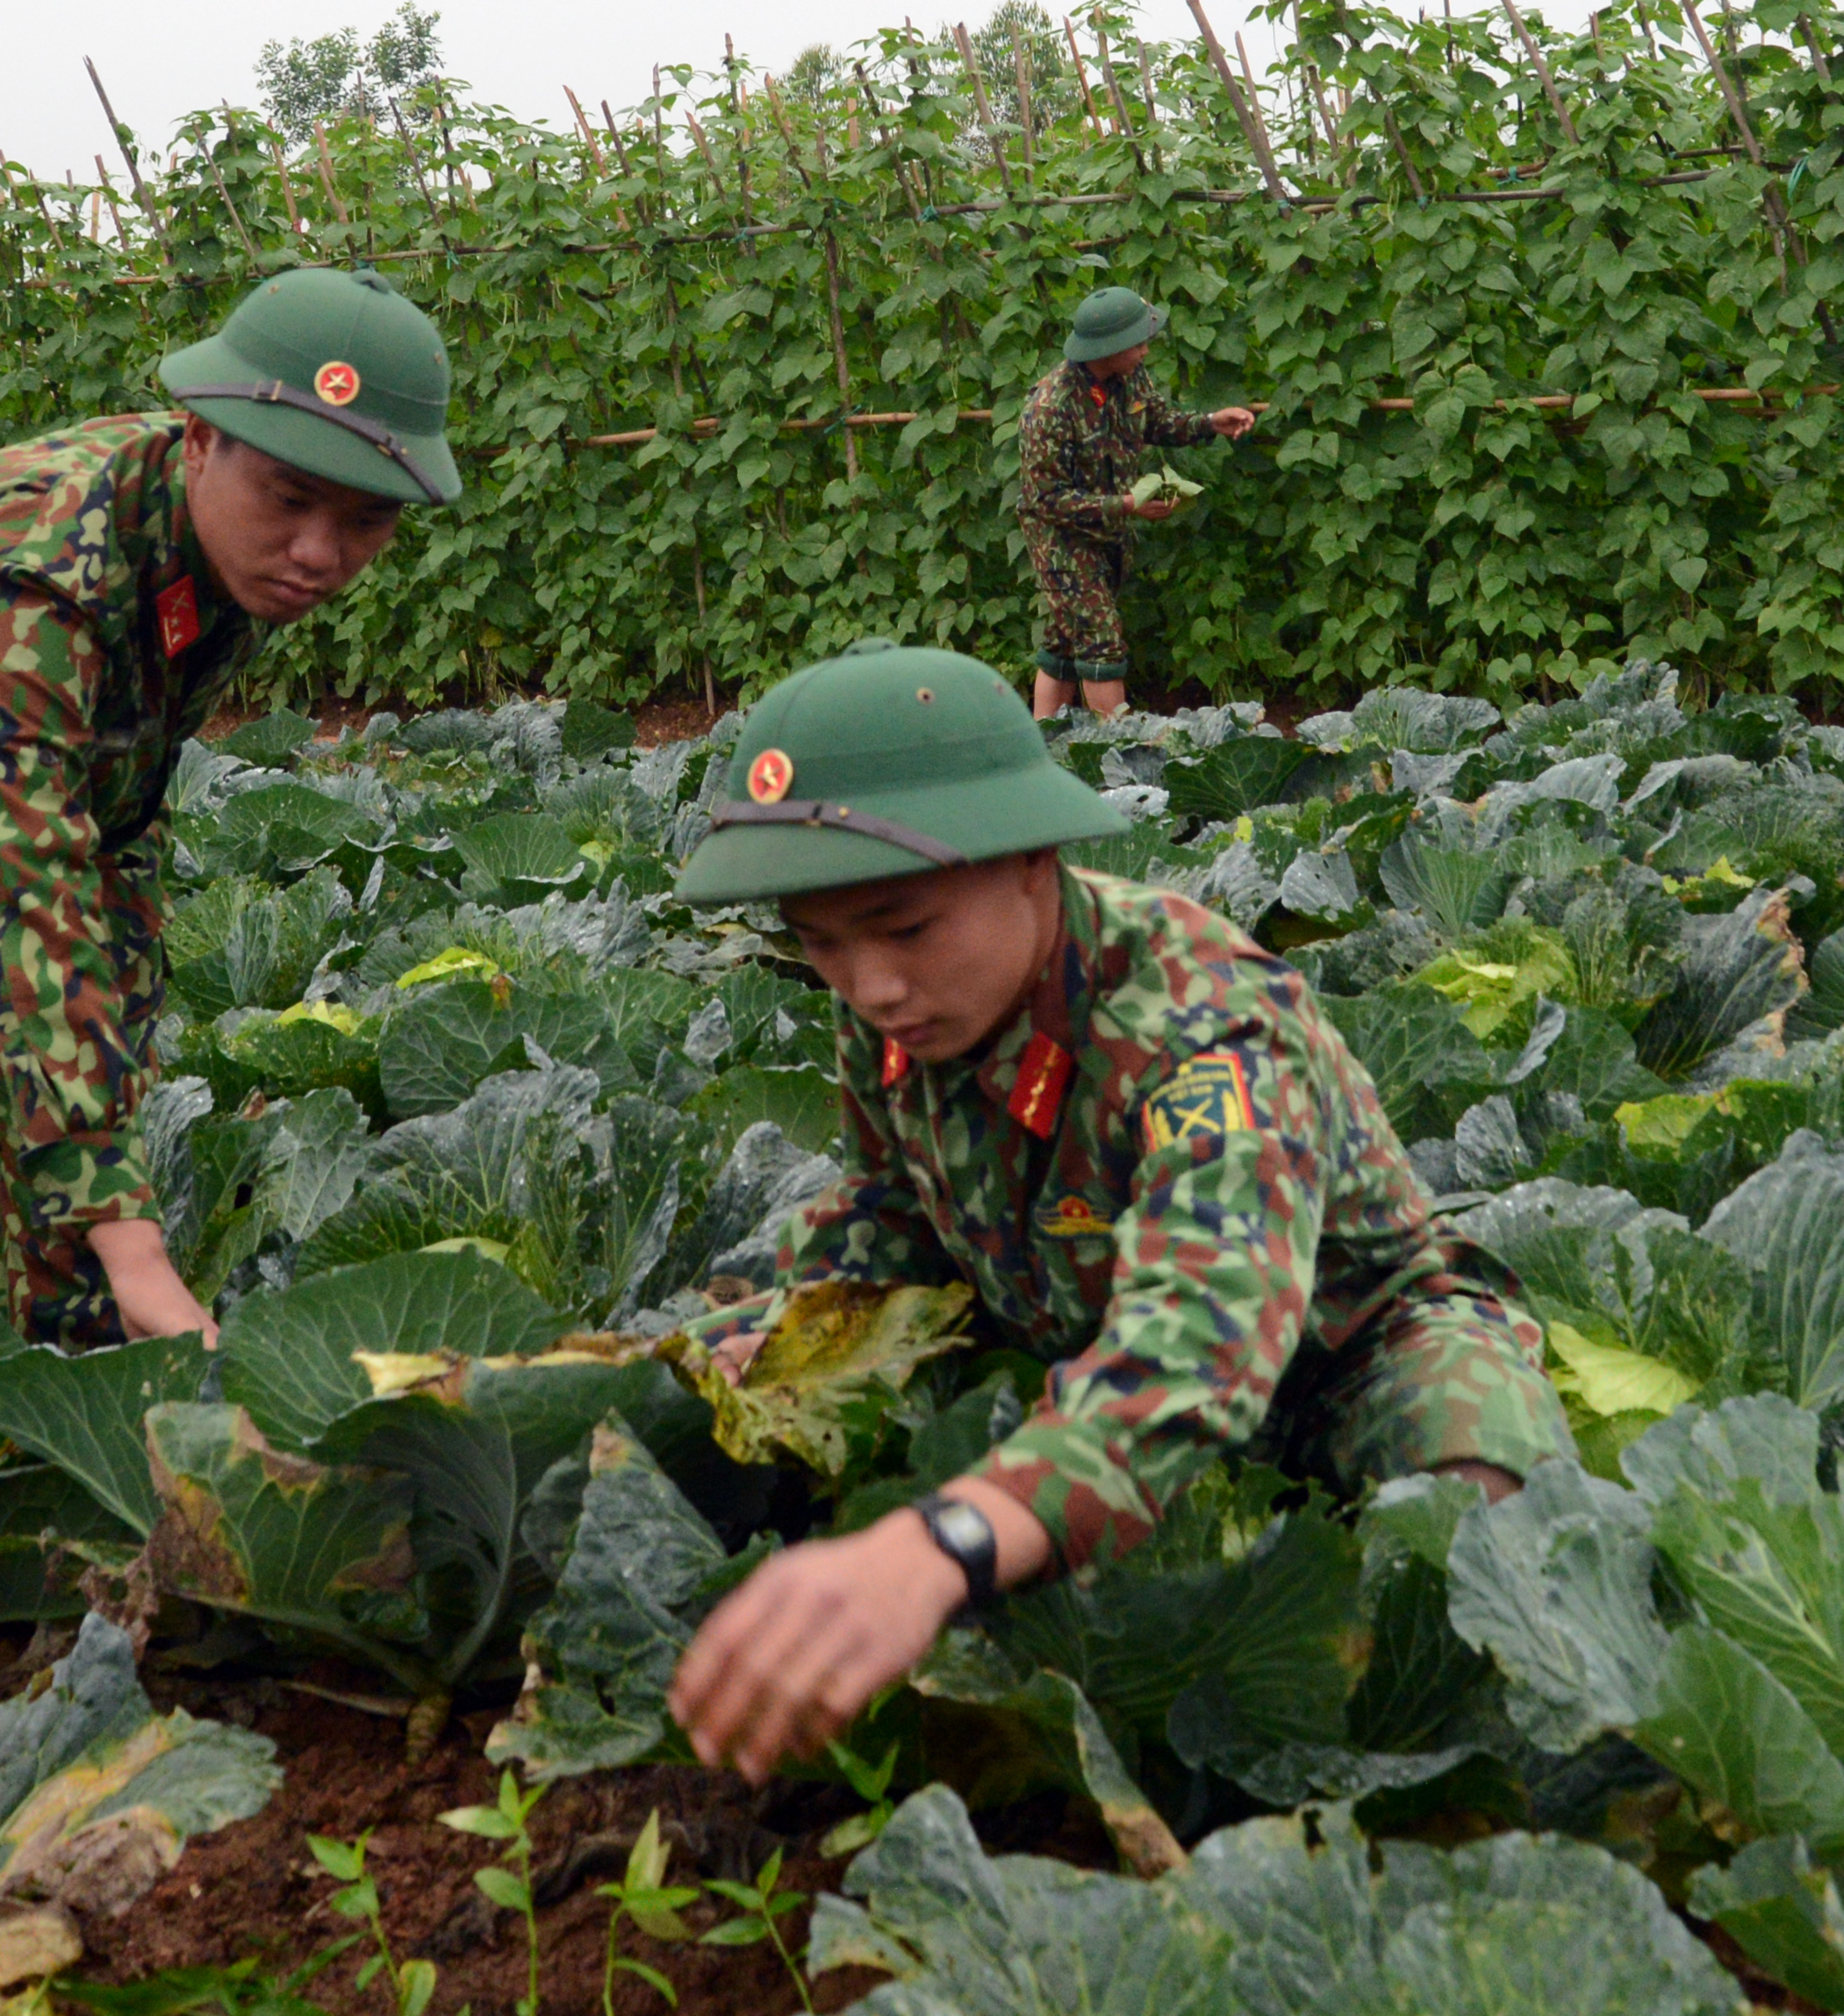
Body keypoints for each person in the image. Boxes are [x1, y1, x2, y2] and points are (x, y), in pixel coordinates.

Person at [660, 642, 1568, 1783]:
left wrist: (943, 1542)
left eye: (905, 928)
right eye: (822, 944)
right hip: (1062, 1341)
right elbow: (890, 1214)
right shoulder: (894, 1012)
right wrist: (753, 1352)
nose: (872, 986)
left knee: (1487, 1512)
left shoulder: (1204, 1029)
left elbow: (1207, 1336)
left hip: (1336, 1357)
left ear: (1033, 864)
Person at [0, 267, 460, 1347]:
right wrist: (124, 1221)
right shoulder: (31, 578)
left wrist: (109, 1098)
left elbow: (114, 805)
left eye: (367, 520)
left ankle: (79, 1477)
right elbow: (26, 876)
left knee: (90, 1275)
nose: (321, 554)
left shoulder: (221, 542)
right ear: (201, 441)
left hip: (26, 867)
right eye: (291, 503)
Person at [1015, 286, 1261, 721]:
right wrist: (1128, 504)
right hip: (1061, 539)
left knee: (1064, 638)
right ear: (1107, 348)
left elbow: (1158, 421)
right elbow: (1047, 501)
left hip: (1107, 531)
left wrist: (1209, 423)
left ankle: (1043, 743)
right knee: (1100, 640)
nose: (1146, 350)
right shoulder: (1050, 407)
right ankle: (1122, 757)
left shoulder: (1128, 377)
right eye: (1137, 342)